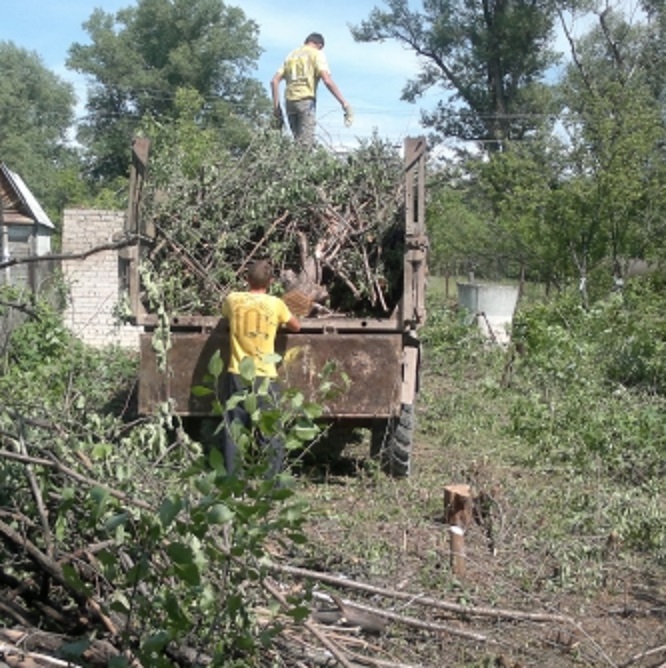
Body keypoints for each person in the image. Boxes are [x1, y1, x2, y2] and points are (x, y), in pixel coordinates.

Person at [220, 259, 301, 476]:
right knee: (270, 430)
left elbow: (225, 316)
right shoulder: (276, 304)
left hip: (238, 373)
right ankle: (270, 483)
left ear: (246, 279)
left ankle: (233, 484)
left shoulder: (232, 299)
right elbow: (296, 326)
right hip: (265, 376)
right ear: (271, 282)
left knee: (234, 428)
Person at [271, 32, 353, 145]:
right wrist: (344, 103)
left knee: (297, 141)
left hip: (289, 102)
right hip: (305, 101)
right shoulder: (317, 54)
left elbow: (274, 81)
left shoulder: (291, 55)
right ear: (320, 45)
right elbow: (327, 80)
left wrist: (276, 108)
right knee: (306, 145)